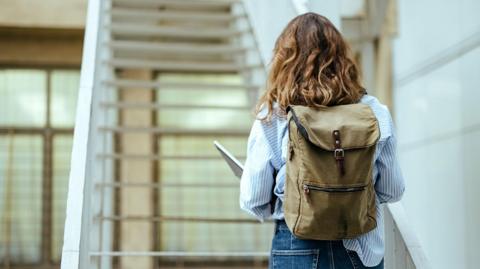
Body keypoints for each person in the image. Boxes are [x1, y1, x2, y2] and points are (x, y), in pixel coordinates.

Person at [239, 12, 405, 269]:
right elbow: (392, 190)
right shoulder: (374, 112)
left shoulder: (274, 115)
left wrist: (292, 196)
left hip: (297, 247)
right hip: (360, 252)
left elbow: (253, 200)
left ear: (285, 60)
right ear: (342, 59)